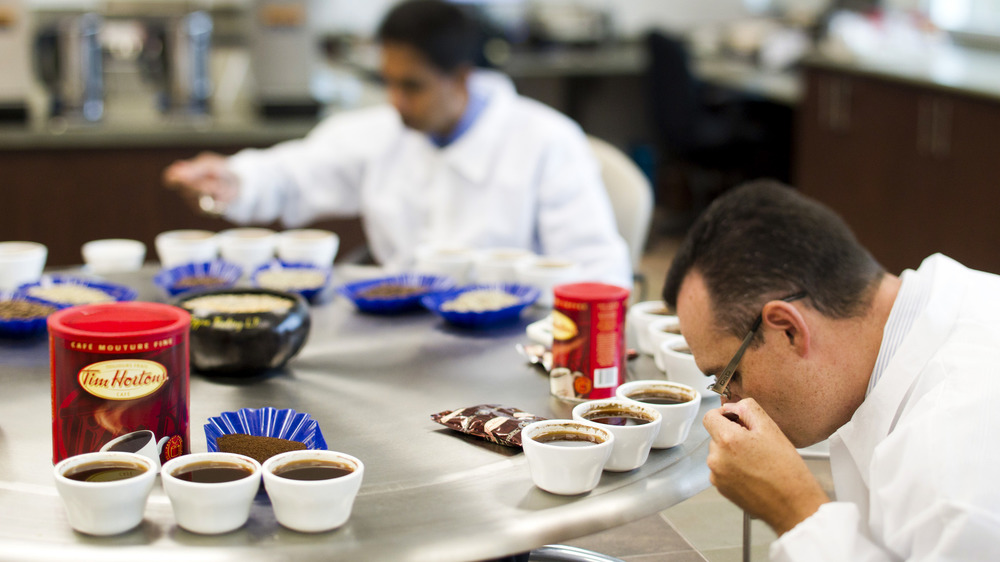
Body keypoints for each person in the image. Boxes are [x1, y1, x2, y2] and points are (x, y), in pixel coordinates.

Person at [162, 0, 631, 288]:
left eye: (412, 86)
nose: (396, 100)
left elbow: (597, 273)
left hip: (513, 350)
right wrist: (232, 180)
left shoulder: (545, 142)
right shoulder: (385, 132)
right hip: (410, 338)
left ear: (462, 78)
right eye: (387, 82)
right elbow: (297, 171)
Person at [662, 179, 1000, 560]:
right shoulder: (950, 306)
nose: (726, 404)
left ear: (788, 330)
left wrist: (794, 509)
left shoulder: (951, 472)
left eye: (729, 376)